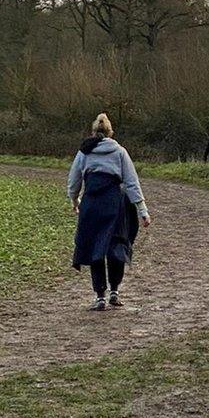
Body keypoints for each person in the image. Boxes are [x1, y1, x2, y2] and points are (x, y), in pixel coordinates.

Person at [68, 113, 153, 311]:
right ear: (110, 132)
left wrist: (75, 201)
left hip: (92, 204)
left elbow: (73, 182)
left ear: (93, 132)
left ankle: (100, 296)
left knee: (95, 247)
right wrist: (143, 211)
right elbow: (132, 183)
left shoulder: (85, 152)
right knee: (117, 246)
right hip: (115, 204)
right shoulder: (120, 151)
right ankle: (114, 290)